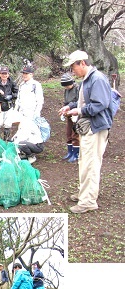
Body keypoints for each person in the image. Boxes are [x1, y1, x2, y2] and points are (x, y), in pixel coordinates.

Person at [59, 50, 113, 214]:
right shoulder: (86, 80)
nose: (72, 71)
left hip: (96, 127)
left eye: (73, 67)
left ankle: (88, 201)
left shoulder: (97, 79)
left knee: (91, 163)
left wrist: (79, 111)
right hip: (88, 127)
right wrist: (71, 106)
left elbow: (100, 104)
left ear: (82, 63)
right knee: (84, 161)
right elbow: (83, 101)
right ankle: (85, 193)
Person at [0, 66, 19, 143]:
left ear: (8, 74)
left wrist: (11, 96)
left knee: (8, 125)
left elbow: (17, 93)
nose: (4, 75)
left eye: (5, 73)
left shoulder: (12, 83)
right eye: (2, 73)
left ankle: (6, 141)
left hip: (9, 106)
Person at [60, 73, 80, 163]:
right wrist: (63, 110)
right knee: (68, 133)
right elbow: (66, 101)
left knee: (75, 133)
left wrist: (71, 107)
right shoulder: (66, 90)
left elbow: (79, 102)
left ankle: (76, 154)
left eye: (67, 85)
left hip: (76, 114)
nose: (66, 87)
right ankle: (70, 152)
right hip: (68, 114)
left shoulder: (77, 88)